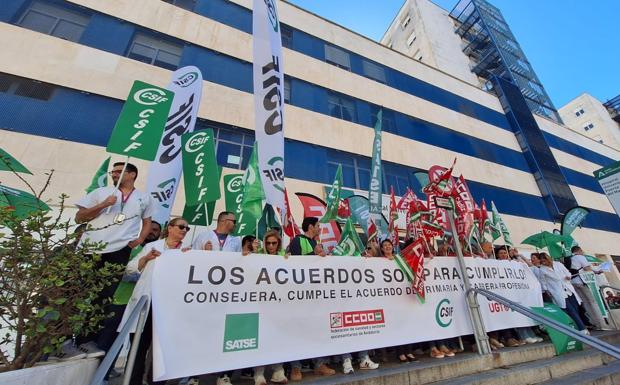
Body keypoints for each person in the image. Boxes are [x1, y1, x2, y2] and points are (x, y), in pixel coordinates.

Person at [74, 162, 155, 357]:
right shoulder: (102, 192)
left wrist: (140, 240)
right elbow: (79, 217)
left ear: (132, 174)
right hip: (91, 248)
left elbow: (147, 222)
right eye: (113, 172)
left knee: (104, 296)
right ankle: (65, 341)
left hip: (119, 250)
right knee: (77, 293)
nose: (114, 174)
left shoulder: (144, 198)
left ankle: (87, 341)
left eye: (119, 172)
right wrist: (103, 205)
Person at [121, 217, 191, 385]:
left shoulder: (188, 252)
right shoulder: (152, 247)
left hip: (168, 308)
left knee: (160, 351)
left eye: (186, 229)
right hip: (147, 305)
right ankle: (133, 381)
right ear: (170, 228)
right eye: (181, 227)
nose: (184, 230)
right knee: (138, 348)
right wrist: (146, 259)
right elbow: (130, 269)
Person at [538, 253, 588, 334]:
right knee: (570, 310)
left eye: (545, 261)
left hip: (568, 289)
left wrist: (568, 276)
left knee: (575, 309)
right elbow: (543, 282)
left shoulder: (558, 264)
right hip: (557, 291)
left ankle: (577, 328)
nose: (543, 263)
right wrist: (547, 291)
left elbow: (567, 272)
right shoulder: (542, 270)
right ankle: (582, 328)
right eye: (542, 261)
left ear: (548, 259)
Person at [568, 246, 608, 330]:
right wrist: (597, 271)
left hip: (573, 282)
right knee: (593, 302)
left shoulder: (570, 259)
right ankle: (601, 324)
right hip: (581, 281)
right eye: (582, 250)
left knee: (586, 303)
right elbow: (587, 268)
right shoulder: (580, 257)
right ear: (579, 251)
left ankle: (594, 323)